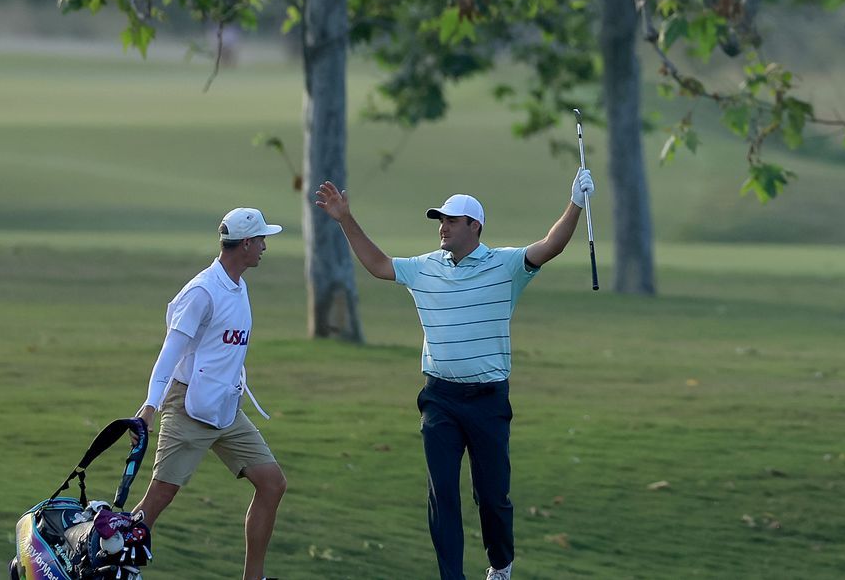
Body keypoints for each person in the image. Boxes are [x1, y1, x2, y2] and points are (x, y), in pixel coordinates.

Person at [314, 169, 595, 580]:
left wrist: (575, 203)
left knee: (492, 498)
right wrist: (345, 220)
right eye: (440, 220)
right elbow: (377, 265)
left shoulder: (506, 265)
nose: (442, 227)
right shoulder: (425, 268)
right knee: (441, 494)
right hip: (440, 399)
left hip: (487, 401)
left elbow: (550, 245)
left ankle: (500, 565)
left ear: (474, 226)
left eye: (450, 220)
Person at [132, 207, 287, 580]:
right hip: (188, 406)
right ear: (246, 243)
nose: (265, 246)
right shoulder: (202, 291)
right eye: (261, 239)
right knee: (158, 498)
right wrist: (150, 405)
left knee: (272, 483)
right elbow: (170, 352)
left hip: (226, 408)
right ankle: (104, 564)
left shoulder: (237, 284)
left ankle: (254, 577)